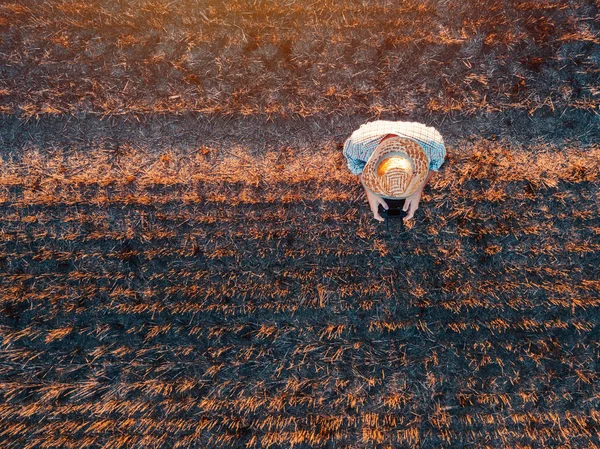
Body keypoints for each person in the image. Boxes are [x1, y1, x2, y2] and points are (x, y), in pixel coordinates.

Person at [342, 121, 446, 223]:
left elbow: (437, 163)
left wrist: (418, 189)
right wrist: (370, 191)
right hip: (367, 134)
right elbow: (353, 162)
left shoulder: (434, 147)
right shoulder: (357, 147)